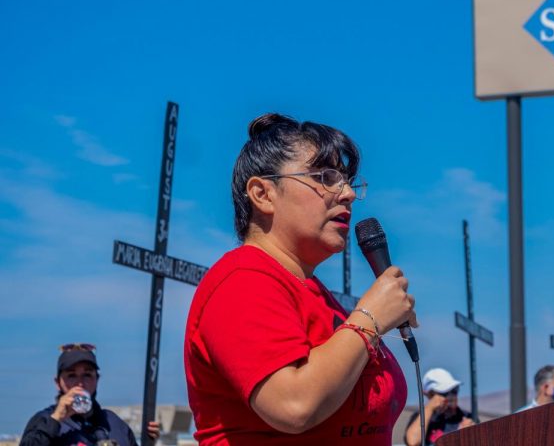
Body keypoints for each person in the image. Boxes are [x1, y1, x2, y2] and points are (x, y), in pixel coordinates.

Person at [184, 113, 416, 445]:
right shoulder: (241, 280)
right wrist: (371, 318)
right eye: (325, 176)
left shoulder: (319, 295)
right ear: (263, 194)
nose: (348, 193)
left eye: (349, 180)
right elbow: (294, 405)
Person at [20, 343, 161, 446]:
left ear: (97, 379)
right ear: (58, 382)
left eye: (87, 375)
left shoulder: (114, 423)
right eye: (71, 375)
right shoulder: (43, 421)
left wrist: (149, 441)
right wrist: (56, 419)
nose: (80, 383)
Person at [404, 368, 474, 446]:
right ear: (429, 394)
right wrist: (429, 408)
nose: (451, 396)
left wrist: (469, 434)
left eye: (454, 390)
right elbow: (413, 442)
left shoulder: (467, 417)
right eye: (444, 393)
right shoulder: (419, 418)